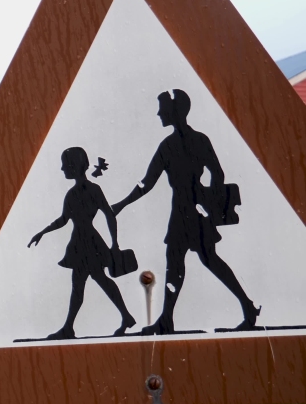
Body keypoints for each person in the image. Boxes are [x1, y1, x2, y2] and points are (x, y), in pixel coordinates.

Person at [111, 89, 259, 335]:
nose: (159, 113)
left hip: (192, 209)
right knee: (191, 261)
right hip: (187, 209)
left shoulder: (186, 142)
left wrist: (212, 205)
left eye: (163, 109)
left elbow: (216, 174)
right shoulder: (172, 145)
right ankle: (243, 308)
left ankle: (242, 308)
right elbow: (147, 183)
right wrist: (122, 204)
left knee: (196, 261)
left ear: (175, 110)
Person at [28, 147, 135, 340]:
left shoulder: (92, 190)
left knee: (85, 284)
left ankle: (71, 327)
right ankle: (123, 317)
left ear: (73, 166)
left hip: (88, 244)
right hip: (82, 243)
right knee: (93, 282)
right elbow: (63, 220)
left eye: (64, 165)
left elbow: (109, 215)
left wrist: (115, 244)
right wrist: (42, 232)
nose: (62, 169)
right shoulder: (72, 193)